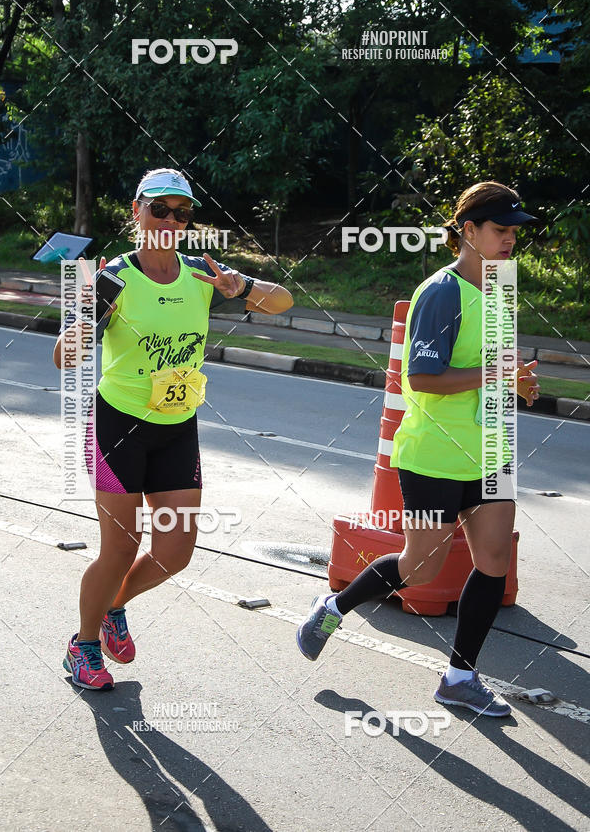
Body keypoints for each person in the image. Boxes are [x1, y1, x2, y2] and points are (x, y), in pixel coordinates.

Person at [296, 181, 540, 717]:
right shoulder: (441, 293)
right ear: (469, 231)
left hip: (490, 449)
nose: (509, 240)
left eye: (514, 231)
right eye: (500, 229)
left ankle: (459, 676)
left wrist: (515, 382)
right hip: (433, 457)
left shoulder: (501, 288)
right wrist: (494, 372)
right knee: (421, 568)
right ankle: (333, 606)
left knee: (494, 560)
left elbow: (490, 366)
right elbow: (424, 377)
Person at [54, 167, 293, 690]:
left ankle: (113, 606)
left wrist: (241, 286)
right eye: (158, 209)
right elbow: (63, 358)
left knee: (175, 553)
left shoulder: (202, 274)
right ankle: (83, 645)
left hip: (178, 426)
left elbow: (283, 301)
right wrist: (86, 316)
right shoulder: (115, 277)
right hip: (119, 426)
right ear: (137, 211)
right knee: (120, 549)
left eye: (181, 213)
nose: (169, 220)